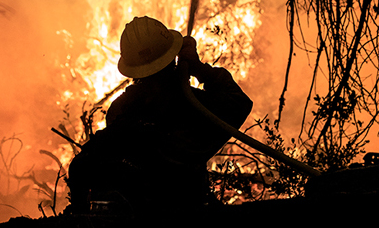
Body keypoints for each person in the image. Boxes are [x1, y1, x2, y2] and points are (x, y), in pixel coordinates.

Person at [67, 15, 253, 215]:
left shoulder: (119, 111)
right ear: (171, 56)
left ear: (132, 69)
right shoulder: (192, 107)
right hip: (187, 224)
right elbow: (239, 103)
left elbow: (80, 167)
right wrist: (198, 68)